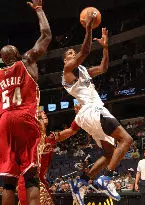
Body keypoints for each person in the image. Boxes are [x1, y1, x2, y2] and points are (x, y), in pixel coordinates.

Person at [62, 11, 133, 202]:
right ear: (65, 61)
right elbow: (84, 52)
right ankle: (106, 179)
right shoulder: (68, 70)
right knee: (126, 140)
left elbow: (103, 68)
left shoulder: (83, 70)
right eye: (69, 54)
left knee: (110, 154)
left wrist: (105, 48)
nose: (72, 55)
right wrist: (87, 28)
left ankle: (82, 182)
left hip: (88, 115)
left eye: (72, 53)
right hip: (92, 110)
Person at [0, 0, 52, 204]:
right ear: (17, 54)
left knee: (8, 183)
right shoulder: (27, 61)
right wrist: (39, 9)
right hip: (24, 118)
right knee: (31, 179)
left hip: (3, 122)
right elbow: (46, 35)